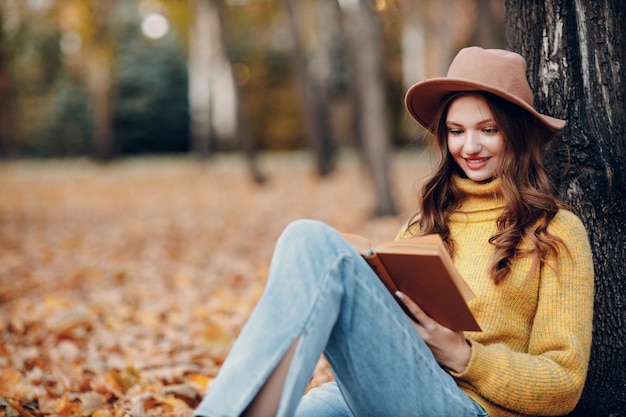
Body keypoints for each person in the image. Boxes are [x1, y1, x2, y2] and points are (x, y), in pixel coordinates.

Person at [193, 47, 594, 417]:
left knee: (314, 241)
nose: (469, 146)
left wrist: (463, 354)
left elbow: (563, 385)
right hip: (398, 389)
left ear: (518, 132)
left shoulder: (555, 232)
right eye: (456, 131)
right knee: (309, 406)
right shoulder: (424, 224)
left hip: (472, 409)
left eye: (487, 129)